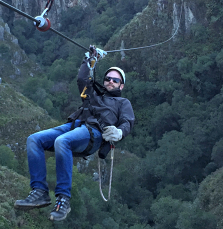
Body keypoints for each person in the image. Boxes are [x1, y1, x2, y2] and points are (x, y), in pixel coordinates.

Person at [14, 46, 135, 221]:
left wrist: (119, 132)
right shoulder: (94, 95)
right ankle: (39, 191)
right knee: (34, 140)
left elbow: (128, 122)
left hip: (95, 133)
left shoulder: (123, 103)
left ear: (121, 85)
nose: (110, 82)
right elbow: (82, 79)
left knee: (62, 142)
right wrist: (89, 59)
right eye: (108, 78)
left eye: (115, 80)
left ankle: (63, 199)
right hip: (76, 125)